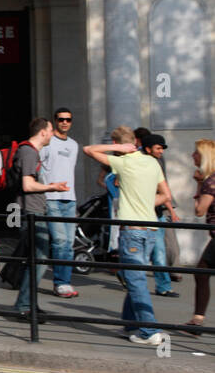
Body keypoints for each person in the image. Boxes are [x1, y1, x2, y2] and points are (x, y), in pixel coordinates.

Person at [84, 132, 175, 345]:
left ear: (120, 145)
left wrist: (120, 151)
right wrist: (144, 201)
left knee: (136, 281)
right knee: (135, 278)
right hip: (150, 229)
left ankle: (148, 330)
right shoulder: (153, 164)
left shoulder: (123, 162)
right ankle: (130, 324)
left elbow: (88, 149)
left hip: (132, 231)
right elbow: (166, 196)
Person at [13, 117, 69, 321]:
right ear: (43, 132)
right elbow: (28, 185)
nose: (53, 134)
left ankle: (28, 303)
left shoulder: (30, 152)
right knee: (38, 259)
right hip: (31, 212)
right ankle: (24, 304)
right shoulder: (28, 152)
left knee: (36, 260)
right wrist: (52, 187)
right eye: (51, 130)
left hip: (33, 210)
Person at [40, 108, 80, 298]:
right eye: (61, 119)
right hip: (52, 198)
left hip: (70, 199)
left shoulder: (74, 145)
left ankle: (66, 281)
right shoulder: (48, 143)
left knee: (69, 244)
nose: (65, 122)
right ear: (55, 121)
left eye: (68, 120)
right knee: (60, 241)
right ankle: (61, 283)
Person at [140, 134, 180, 297]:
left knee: (159, 251)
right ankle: (128, 273)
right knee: (143, 251)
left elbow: (164, 188)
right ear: (148, 149)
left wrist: (170, 209)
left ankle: (163, 286)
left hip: (157, 212)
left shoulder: (159, 162)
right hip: (141, 213)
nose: (161, 151)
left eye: (162, 148)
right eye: (158, 148)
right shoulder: (139, 162)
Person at [189, 139, 215, 334]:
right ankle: (197, 319)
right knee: (202, 271)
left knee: (201, 271)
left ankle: (197, 321)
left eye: (196, 153)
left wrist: (198, 185)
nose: (192, 156)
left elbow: (200, 211)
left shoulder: (210, 181)